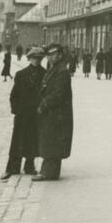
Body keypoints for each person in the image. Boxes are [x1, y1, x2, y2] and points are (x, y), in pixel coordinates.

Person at [1, 46, 45, 179]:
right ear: (29, 59)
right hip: (22, 113)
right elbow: (14, 95)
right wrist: (16, 110)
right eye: (34, 58)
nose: (36, 61)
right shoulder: (21, 74)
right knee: (17, 141)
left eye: (39, 58)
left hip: (36, 113)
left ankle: (29, 166)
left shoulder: (45, 74)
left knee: (32, 139)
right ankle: (12, 168)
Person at [33, 43, 74, 181]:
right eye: (49, 55)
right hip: (53, 113)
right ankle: (49, 171)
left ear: (60, 55)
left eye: (54, 55)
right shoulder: (55, 68)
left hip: (57, 114)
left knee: (52, 142)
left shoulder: (62, 71)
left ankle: (48, 173)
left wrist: (43, 105)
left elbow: (58, 94)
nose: (50, 58)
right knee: (50, 141)